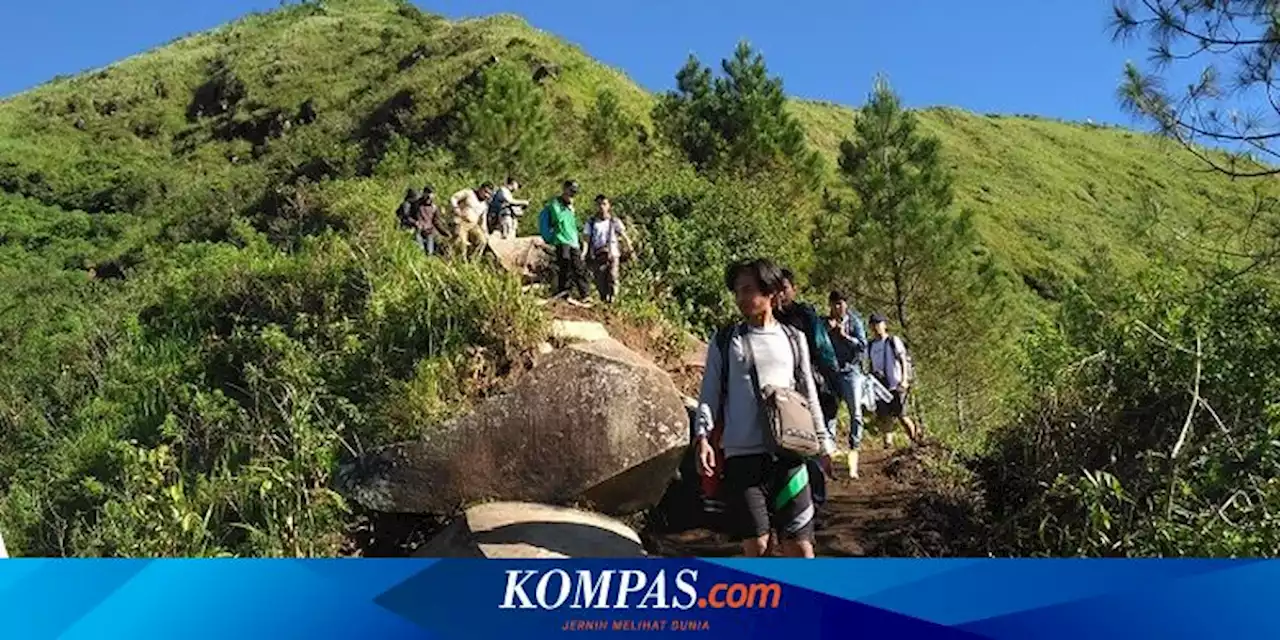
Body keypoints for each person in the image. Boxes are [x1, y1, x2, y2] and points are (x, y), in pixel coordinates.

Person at [694, 258, 834, 558]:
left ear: (770, 292)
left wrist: (823, 444)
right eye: (737, 292)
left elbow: (807, 391)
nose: (741, 299)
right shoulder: (725, 340)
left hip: (790, 454)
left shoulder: (793, 338)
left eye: (748, 290)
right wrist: (703, 437)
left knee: (800, 546)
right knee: (756, 545)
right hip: (742, 457)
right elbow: (710, 392)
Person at [774, 269, 840, 515]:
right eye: (776, 288)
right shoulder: (768, 317)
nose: (781, 294)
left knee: (809, 445)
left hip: (809, 386)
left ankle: (817, 502)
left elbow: (824, 350)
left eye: (785, 288)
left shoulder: (804, 315)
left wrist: (832, 384)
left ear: (794, 289)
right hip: (780, 390)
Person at [827, 290, 869, 478]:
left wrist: (845, 337)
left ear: (846, 305)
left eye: (841, 303)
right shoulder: (825, 322)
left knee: (856, 413)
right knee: (830, 412)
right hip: (832, 372)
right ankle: (830, 450)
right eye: (834, 303)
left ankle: (855, 448)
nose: (838, 307)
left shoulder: (854, 322)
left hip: (852, 372)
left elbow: (863, 346)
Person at [867, 313, 923, 446]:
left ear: (884, 325)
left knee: (902, 415)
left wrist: (904, 380)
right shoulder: (871, 346)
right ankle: (887, 445)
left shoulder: (893, 341)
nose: (876, 327)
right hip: (880, 388)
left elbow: (903, 360)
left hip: (896, 384)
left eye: (879, 323)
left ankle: (915, 441)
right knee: (885, 417)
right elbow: (870, 365)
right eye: (873, 324)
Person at [539, 179, 590, 302]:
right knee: (564, 267)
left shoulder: (571, 207)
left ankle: (585, 294)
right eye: (571, 191)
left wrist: (579, 240)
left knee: (579, 268)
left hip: (573, 241)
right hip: (561, 239)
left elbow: (573, 225)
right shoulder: (555, 204)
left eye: (574, 192)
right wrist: (568, 208)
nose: (572, 195)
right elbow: (558, 219)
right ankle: (564, 293)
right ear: (565, 189)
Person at [581, 194, 633, 303]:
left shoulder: (614, 221)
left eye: (604, 204)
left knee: (613, 276)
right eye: (599, 204)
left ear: (608, 206)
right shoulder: (591, 222)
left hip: (613, 253)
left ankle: (613, 300)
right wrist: (584, 252)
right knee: (600, 280)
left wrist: (629, 245)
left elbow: (623, 234)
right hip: (598, 254)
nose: (601, 206)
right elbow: (586, 238)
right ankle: (604, 301)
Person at [449, 182, 494, 260]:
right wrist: (456, 208)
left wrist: (485, 232)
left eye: (489, 193)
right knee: (462, 242)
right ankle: (459, 260)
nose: (486, 195)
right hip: (461, 221)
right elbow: (454, 197)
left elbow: (483, 220)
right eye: (485, 192)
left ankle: (473, 260)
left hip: (473, 225)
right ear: (481, 189)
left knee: (482, 241)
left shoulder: (485, 205)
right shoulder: (469, 193)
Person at [414, 186, 448, 256]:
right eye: (428, 193)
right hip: (417, 230)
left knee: (430, 252)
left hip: (429, 231)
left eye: (431, 194)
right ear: (424, 194)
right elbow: (408, 216)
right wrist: (415, 222)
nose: (429, 196)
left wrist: (445, 233)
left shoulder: (434, 207)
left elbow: (436, 222)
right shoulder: (416, 204)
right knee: (419, 250)